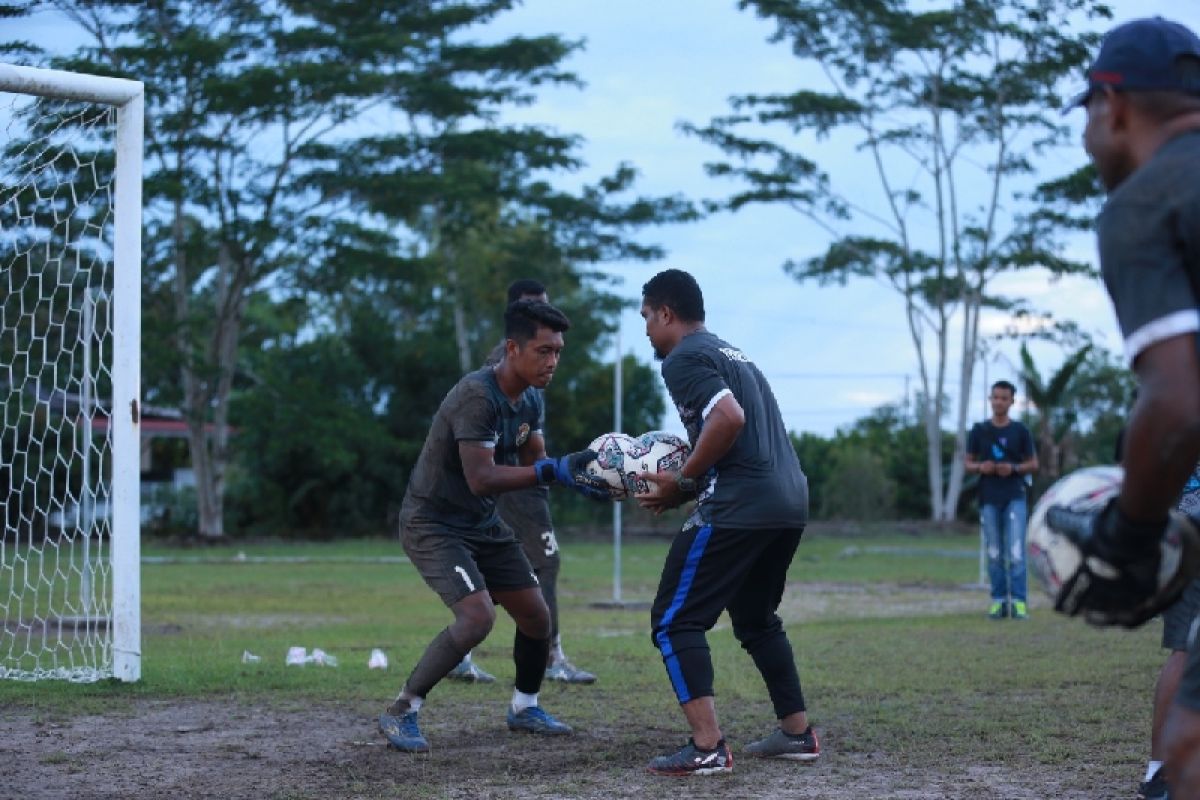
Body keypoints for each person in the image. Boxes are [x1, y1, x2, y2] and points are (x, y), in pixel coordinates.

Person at [1054, 15, 1200, 799]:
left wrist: (1130, 536)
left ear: (1112, 105)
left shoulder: (1149, 199)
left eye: (1085, 112)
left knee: (1191, 741)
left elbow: (1178, 402)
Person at [378, 299, 608, 753]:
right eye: (543, 351)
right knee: (477, 617)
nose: (553, 361)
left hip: (482, 523)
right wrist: (551, 471)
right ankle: (401, 710)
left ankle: (525, 707)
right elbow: (481, 478)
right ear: (512, 348)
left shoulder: (531, 399)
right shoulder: (477, 396)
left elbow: (535, 462)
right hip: (434, 522)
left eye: (558, 351)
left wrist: (588, 479)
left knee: (537, 614)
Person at [634, 268, 817, 776]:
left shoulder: (684, 357)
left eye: (647, 317)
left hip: (741, 504)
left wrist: (683, 483)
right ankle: (797, 733)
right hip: (788, 501)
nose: (647, 330)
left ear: (667, 313)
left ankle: (708, 746)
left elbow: (729, 419)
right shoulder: (734, 353)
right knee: (756, 619)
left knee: (674, 620)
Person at [447, 279, 597, 685]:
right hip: (511, 484)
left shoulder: (519, 361)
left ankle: (460, 652)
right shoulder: (509, 364)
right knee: (543, 564)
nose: (547, 320)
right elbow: (501, 443)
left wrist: (571, 474)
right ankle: (550, 658)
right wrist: (550, 473)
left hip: (511, 480)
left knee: (502, 568)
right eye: (538, 310)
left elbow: (533, 439)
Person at [964, 381, 1039, 621]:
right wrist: (981, 467)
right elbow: (968, 463)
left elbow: (1033, 464)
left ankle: (1019, 602)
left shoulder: (1020, 431)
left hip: (1015, 496)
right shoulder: (978, 430)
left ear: (1011, 401)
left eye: (1004, 398)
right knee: (994, 552)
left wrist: (1014, 468)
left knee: (1016, 552)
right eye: (995, 397)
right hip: (988, 497)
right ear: (990, 399)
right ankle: (998, 600)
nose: (999, 402)